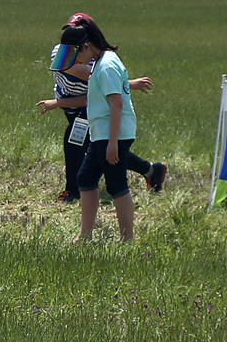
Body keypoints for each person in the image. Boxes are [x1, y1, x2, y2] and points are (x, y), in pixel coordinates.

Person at [37, 13, 161, 201]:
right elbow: (83, 75)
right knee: (99, 149)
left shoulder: (96, 61)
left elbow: (91, 97)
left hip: (86, 106)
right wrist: (129, 83)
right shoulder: (62, 55)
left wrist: (58, 103)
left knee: (74, 141)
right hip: (72, 106)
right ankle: (151, 170)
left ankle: (73, 190)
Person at [59, 20, 150, 242]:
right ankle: (85, 235)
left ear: (86, 46)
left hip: (113, 134)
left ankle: (127, 241)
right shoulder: (100, 62)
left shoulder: (107, 65)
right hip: (101, 133)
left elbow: (116, 104)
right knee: (85, 179)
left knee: (117, 185)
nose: (74, 60)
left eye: (75, 53)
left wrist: (112, 142)